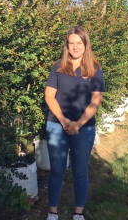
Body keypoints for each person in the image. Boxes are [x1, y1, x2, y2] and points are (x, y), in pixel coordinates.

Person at [44, 26, 105, 220]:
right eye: (72, 43)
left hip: (84, 128)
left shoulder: (95, 70)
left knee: (80, 171)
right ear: (67, 45)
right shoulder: (57, 67)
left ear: (86, 44)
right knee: (56, 171)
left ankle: (78, 213)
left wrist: (77, 124)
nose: (75, 46)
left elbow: (95, 101)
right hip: (56, 126)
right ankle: (52, 212)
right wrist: (63, 121)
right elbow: (49, 96)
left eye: (79, 43)